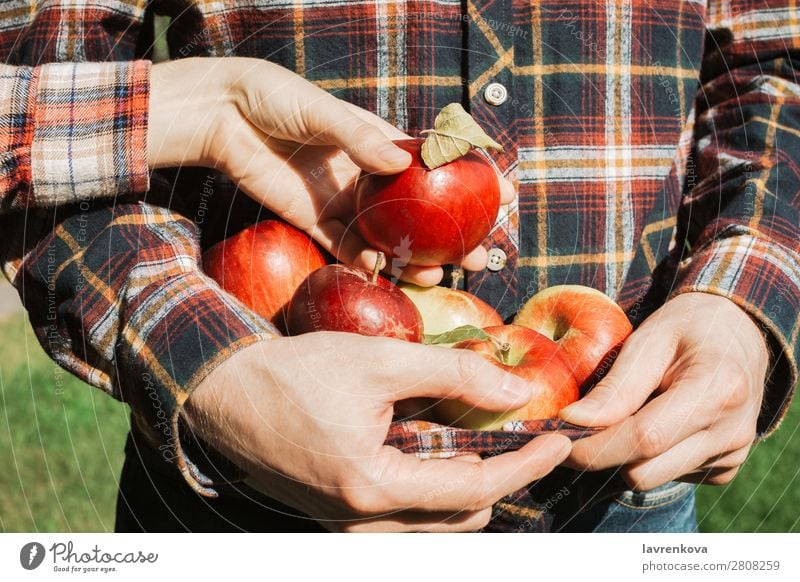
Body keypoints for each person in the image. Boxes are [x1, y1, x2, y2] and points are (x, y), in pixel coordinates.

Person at [2, 1, 797, 532]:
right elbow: (56, 62)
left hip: (620, 485)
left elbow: (772, 67)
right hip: (254, 493)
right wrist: (208, 368)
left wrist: (740, 297)